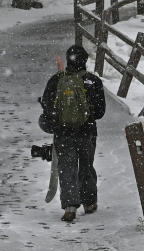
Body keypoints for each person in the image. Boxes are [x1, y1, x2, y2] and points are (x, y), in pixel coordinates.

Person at [39, 44, 105, 222]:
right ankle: (89, 202)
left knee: (67, 168)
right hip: (87, 132)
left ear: (68, 60)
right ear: (85, 61)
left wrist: (58, 120)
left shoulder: (56, 80)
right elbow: (100, 112)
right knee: (86, 166)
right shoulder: (93, 81)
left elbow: (47, 107)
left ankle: (69, 206)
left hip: (63, 134)